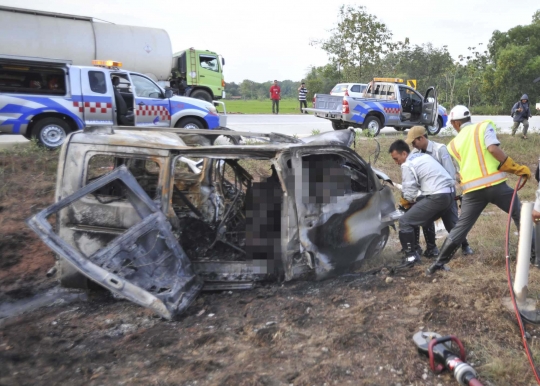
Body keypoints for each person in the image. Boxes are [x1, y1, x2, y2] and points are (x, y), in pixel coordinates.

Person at [426, 105, 531, 275]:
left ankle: (437, 265)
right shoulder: (483, 127)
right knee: (519, 213)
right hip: (497, 186)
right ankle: (532, 255)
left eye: (453, 124)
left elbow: (459, 173)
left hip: (472, 191)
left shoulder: (453, 144)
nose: (453, 127)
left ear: (457, 123)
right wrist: (515, 167)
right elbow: (492, 148)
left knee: (461, 227)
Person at [406, 126, 474, 257]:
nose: (413, 145)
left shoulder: (439, 149)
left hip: (444, 192)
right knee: (425, 219)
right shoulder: (415, 154)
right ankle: (432, 248)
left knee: (452, 223)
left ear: (421, 138)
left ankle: (465, 245)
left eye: (414, 142)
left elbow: (450, 173)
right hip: (428, 194)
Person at [389, 139, 457, 267]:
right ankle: (431, 249)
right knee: (423, 219)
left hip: (437, 196)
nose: (396, 162)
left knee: (405, 221)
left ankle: (411, 257)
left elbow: (409, 193)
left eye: (396, 158)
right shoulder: (422, 156)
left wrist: (403, 205)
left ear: (404, 154)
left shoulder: (407, 164)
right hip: (449, 194)